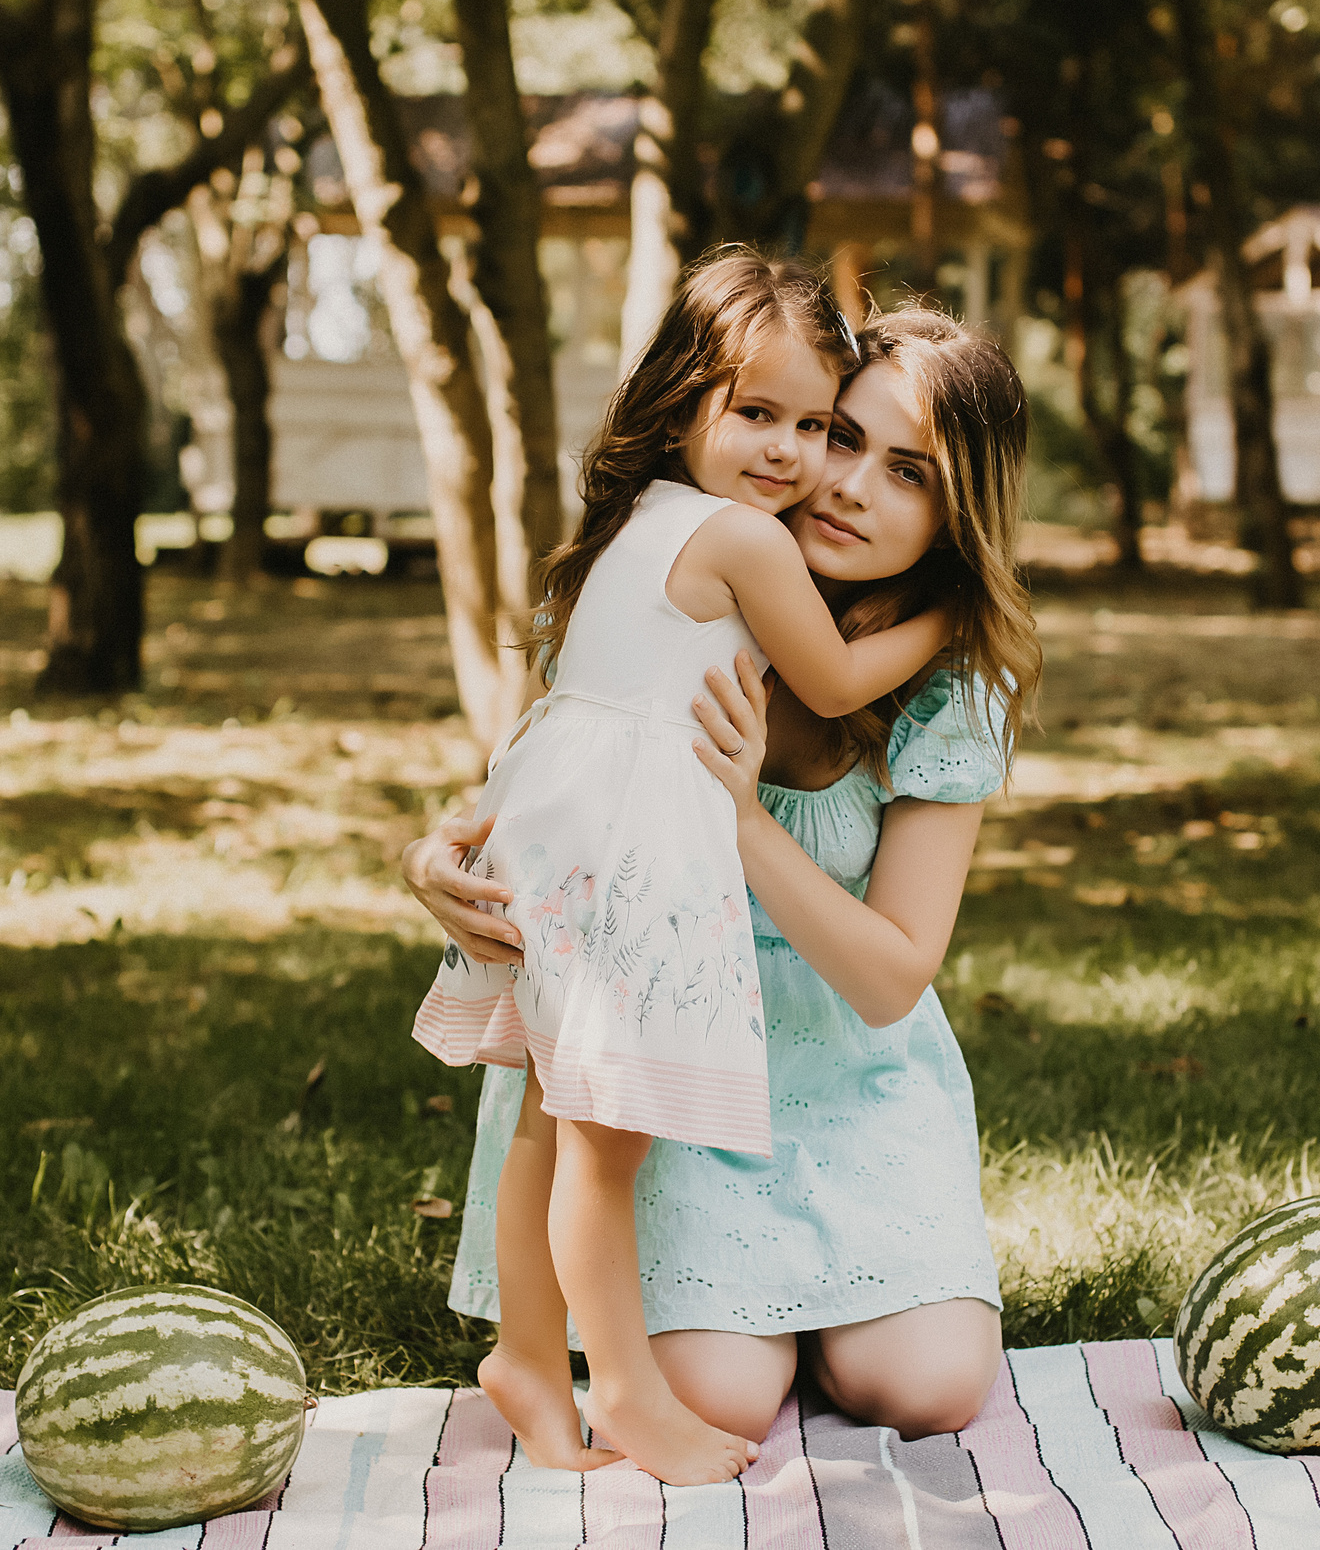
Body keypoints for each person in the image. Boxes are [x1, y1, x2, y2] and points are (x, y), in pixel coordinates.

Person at [406, 307, 1040, 1447]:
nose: (844, 484)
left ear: (957, 519)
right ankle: (674, 1338)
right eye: (837, 437)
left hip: (846, 1075)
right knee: (721, 1397)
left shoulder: (946, 688)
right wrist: (428, 859)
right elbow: (537, 777)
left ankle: (839, 1303)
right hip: (669, 1073)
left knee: (929, 1388)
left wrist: (740, 818)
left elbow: (892, 979)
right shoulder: (676, 582)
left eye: (908, 473)